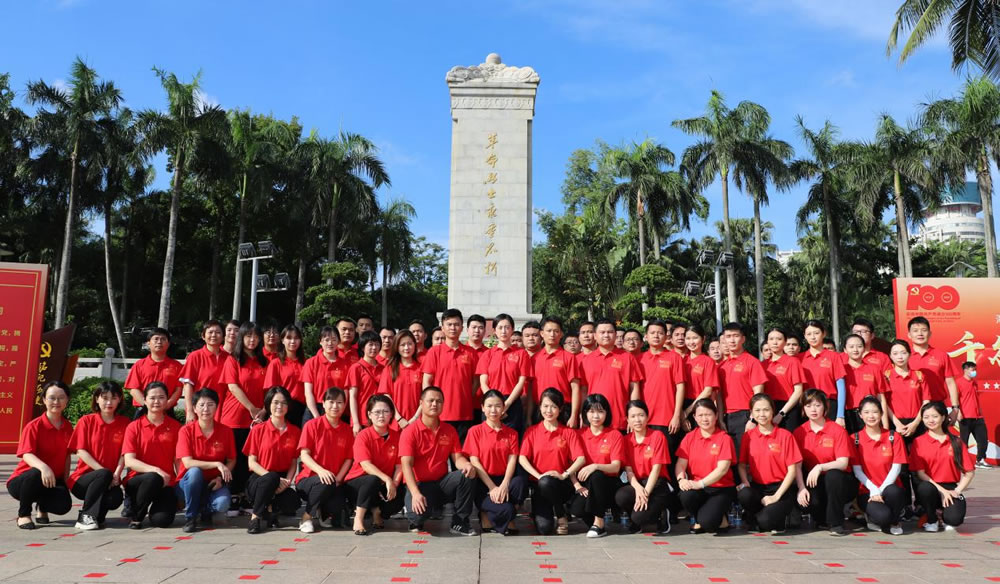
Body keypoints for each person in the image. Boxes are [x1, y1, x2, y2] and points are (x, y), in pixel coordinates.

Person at [400, 386, 477, 535]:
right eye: (431, 401)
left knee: (467, 474)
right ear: (421, 403)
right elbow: (406, 465)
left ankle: (460, 522)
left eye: (439, 401)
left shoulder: (449, 430)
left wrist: (467, 464)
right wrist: (415, 493)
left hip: (441, 483)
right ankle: (414, 510)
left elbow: (457, 458)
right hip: (419, 485)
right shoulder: (410, 431)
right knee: (417, 518)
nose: (435, 404)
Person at [519, 389, 586, 535]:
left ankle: (561, 515)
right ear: (540, 407)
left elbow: (581, 458)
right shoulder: (532, 431)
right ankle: (541, 512)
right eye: (545, 406)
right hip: (539, 485)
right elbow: (522, 458)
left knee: (547, 483)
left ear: (560, 409)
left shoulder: (568, 432)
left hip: (561, 485)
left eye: (554, 406)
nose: (549, 411)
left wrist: (564, 474)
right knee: (544, 529)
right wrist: (538, 476)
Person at [8, 381, 74, 530]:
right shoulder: (34, 426)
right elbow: (26, 454)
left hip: (51, 480)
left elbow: (67, 456)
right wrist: (44, 468)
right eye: (52, 398)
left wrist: (65, 481)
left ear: (67, 400)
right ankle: (24, 515)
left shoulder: (68, 427)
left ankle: (42, 507)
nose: (56, 402)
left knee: (63, 505)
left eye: (61, 397)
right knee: (36, 473)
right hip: (25, 480)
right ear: (44, 399)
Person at [68, 381, 129, 530]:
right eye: (104, 398)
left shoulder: (125, 423)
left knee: (115, 498)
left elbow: (125, 453)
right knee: (103, 474)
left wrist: (116, 474)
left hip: (110, 479)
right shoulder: (86, 421)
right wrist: (104, 472)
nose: (109, 402)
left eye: (113, 398)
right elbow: (81, 451)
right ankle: (85, 516)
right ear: (96, 399)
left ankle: (97, 516)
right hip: (83, 479)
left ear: (119, 399)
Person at [737, 394, 802, 534]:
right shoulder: (748, 436)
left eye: (766, 410)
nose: (762, 414)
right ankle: (758, 516)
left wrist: (776, 496)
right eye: (757, 410)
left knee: (765, 522)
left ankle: (771, 517)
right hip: (758, 488)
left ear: (773, 411)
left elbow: (792, 470)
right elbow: (741, 465)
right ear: (751, 413)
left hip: (781, 489)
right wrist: (745, 482)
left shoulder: (785, 435)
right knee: (744, 494)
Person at [465, 390, 527, 535]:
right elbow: (474, 461)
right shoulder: (474, 431)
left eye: (498, 406)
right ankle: (493, 514)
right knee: (507, 510)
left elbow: (512, 460)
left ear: (503, 408)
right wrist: (492, 487)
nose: (493, 410)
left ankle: (493, 516)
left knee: (520, 483)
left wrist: (505, 484)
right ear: (482, 408)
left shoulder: (512, 433)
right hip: (483, 483)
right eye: (489, 406)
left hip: (504, 479)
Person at [792, 389, 854, 536]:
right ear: (803, 409)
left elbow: (843, 463)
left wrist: (820, 467)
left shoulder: (837, 430)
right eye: (808, 406)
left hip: (840, 481)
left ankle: (836, 523)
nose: (813, 410)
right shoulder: (799, 432)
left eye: (817, 405)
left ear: (825, 407)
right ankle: (821, 518)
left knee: (833, 476)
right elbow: (797, 465)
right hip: (815, 481)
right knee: (808, 502)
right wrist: (801, 488)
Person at [123, 381, 183, 529]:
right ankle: (137, 516)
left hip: (166, 482)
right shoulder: (134, 427)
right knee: (153, 477)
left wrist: (181, 486)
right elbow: (129, 461)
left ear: (167, 400)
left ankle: (154, 508)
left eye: (161, 397)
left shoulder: (176, 427)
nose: (157, 401)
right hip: (139, 481)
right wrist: (156, 470)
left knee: (162, 521)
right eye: (152, 398)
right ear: (144, 400)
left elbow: (178, 461)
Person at [175, 388, 236, 533]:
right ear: (194, 408)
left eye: (210, 404)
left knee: (222, 504)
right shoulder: (186, 431)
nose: (206, 409)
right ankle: (191, 517)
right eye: (201, 405)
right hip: (188, 483)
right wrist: (217, 464)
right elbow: (188, 463)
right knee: (195, 472)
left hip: (213, 483)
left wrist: (220, 477)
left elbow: (232, 460)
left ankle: (204, 509)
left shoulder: (226, 431)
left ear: (217, 407)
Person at [344, 394, 405, 535]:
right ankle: (358, 519)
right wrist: (387, 479)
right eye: (377, 412)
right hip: (358, 484)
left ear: (391, 414)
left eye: (385, 411)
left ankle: (377, 510)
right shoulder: (363, 435)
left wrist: (394, 484)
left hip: (382, 485)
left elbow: (399, 466)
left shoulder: (397, 437)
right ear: (369, 415)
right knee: (372, 480)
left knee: (401, 493)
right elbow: (366, 465)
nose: (381, 416)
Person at [910, 401, 976, 532]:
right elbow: (921, 474)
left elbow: (969, 472)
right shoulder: (918, 442)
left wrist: (956, 491)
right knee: (924, 488)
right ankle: (931, 519)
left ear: (943, 417)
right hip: (930, 486)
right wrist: (942, 492)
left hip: (950, 487)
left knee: (954, 520)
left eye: (935, 416)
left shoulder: (956, 441)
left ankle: (942, 514)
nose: (930, 420)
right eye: (926, 417)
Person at [296, 387, 354, 534]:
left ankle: (322, 509)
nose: (335, 406)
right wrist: (321, 471)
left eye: (339, 402)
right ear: (323, 403)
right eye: (331, 402)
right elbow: (304, 455)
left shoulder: (347, 430)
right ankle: (306, 517)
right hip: (309, 479)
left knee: (339, 516)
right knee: (325, 482)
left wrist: (338, 478)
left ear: (344, 405)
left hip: (334, 481)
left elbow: (348, 459)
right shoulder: (312, 425)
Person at [244, 386, 302, 534]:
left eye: (283, 403)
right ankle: (255, 517)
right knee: (271, 478)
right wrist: (272, 478)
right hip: (260, 478)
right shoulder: (258, 429)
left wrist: (287, 481)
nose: (279, 406)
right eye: (275, 402)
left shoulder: (295, 431)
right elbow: (252, 463)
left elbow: (293, 462)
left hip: (282, 479)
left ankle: (270, 510)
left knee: (293, 501)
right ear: (268, 404)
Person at [220, 321, 269, 497]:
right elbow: (233, 387)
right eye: (248, 336)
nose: (252, 340)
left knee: (253, 458)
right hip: (234, 417)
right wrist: (251, 408)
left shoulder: (264, 362)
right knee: (235, 458)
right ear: (241, 337)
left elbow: (269, 389)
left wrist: (264, 410)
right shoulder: (233, 360)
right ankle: (233, 495)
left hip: (258, 418)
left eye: (256, 336)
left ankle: (249, 496)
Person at [676, 399, 736, 534]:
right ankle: (698, 519)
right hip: (698, 488)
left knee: (709, 524)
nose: (704, 419)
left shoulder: (724, 438)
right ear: (694, 417)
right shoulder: (689, 437)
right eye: (700, 415)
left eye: (708, 414)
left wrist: (701, 484)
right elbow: (680, 464)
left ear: (716, 416)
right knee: (686, 495)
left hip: (721, 488)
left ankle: (721, 518)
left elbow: (722, 470)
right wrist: (681, 479)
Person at [615, 400, 675, 534]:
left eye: (641, 415)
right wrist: (638, 488)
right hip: (638, 482)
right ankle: (637, 519)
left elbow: (656, 469)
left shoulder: (657, 436)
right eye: (633, 416)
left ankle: (662, 512)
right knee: (621, 496)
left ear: (647, 417)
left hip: (657, 483)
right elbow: (628, 470)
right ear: (627, 420)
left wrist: (645, 494)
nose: (637, 420)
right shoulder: (626, 440)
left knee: (640, 518)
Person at [850, 396, 906, 535]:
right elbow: (857, 471)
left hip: (889, 489)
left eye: (875, 412)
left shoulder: (894, 437)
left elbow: (896, 468)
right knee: (883, 517)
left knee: (895, 492)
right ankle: (876, 517)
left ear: (881, 414)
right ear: (860, 415)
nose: (871, 416)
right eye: (866, 412)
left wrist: (880, 491)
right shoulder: (855, 439)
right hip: (867, 491)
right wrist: (873, 490)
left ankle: (895, 521)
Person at [570, 394, 624, 538]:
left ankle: (599, 523)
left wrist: (595, 466)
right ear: (585, 413)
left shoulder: (614, 435)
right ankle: (596, 523)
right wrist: (577, 485)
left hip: (608, 484)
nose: (596, 416)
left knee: (596, 475)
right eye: (591, 411)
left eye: (600, 411)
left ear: (607, 413)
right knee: (577, 509)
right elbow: (571, 466)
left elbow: (616, 467)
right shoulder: (578, 435)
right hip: (585, 484)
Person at [421, 309, 478, 442]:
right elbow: (427, 381)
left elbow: (476, 381)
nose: (453, 328)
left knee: (461, 451)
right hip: (439, 413)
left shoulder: (470, 353)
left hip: (463, 413)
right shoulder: (434, 352)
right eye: (449, 324)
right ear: (443, 328)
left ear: (462, 328)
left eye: (456, 324)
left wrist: (466, 396)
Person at [579, 318, 643, 432]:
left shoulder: (628, 358)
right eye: (602, 332)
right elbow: (583, 390)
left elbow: (634, 388)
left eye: (610, 332)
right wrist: (582, 414)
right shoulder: (586, 360)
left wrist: (633, 415)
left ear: (615, 334)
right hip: (594, 418)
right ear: (595, 335)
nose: (606, 335)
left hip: (620, 419)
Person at [640, 320, 685, 469]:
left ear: (666, 337)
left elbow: (680, 387)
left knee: (667, 461)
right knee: (646, 460)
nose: (656, 336)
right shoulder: (639, 359)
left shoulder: (674, 357)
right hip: (643, 419)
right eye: (652, 333)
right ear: (646, 336)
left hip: (666, 418)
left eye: (660, 333)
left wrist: (676, 416)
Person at [477, 313, 531, 435]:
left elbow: (521, 381)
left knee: (512, 439)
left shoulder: (521, 354)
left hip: (512, 402)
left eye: (507, 327)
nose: (503, 331)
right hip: (491, 402)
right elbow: (483, 382)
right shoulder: (487, 354)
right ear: (494, 330)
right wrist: (493, 403)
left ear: (512, 329)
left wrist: (506, 404)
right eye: (500, 327)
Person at [719, 322, 767, 453]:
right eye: (728, 336)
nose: (732, 340)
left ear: (743, 339)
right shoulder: (721, 366)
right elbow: (719, 395)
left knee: (745, 457)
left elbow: (758, 393)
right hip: (726, 418)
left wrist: (753, 418)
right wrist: (720, 419)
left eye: (736, 336)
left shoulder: (752, 362)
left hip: (745, 415)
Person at [907, 317, 961, 421]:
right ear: (909, 334)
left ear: (930, 333)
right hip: (911, 406)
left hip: (936, 406)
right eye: (915, 331)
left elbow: (950, 383)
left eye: (924, 330)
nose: (920, 334)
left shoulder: (941, 355)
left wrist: (955, 409)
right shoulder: (903, 356)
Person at [532, 316, 582, 427]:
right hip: (541, 409)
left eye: (556, 331)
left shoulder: (569, 357)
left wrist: (574, 415)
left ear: (561, 334)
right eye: (549, 331)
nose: (552, 334)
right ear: (542, 333)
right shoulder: (534, 358)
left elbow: (575, 388)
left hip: (563, 409)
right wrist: (528, 416)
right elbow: (531, 389)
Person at [180, 320, 232, 422]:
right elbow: (188, 385)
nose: (214, 335)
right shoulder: (195, 356)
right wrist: (190, 410)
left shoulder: (229, 358)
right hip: (202, 409)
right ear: (203, 336)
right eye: (210, 332)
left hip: (224, 409)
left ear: (223, 337)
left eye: (218, 332)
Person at [124, 327, 182, 415]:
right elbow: (134, 389)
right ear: (148, 343)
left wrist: (167, 404)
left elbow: (179, 389)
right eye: (156, 339)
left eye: (163, 339)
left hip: (167, 410)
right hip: (143, 409)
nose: (159, 342)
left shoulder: (176, 366)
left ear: (168, 344)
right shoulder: (139, 365)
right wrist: (147, 405)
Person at [800, 320, 847, 426]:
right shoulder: (799, 359)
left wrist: (840, 415)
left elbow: (841, 386)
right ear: (805, 336)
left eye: (816, 333)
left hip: (829, 405)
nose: (813, 337)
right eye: (809, 334)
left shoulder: (834, 357)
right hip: (807, 405)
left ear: (824, 334)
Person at [301, 326, 350, 423]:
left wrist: (339, 412)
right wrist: (316, 416)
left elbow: (346, 391)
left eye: (334, 339)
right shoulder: (311, 362)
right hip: (315, 408)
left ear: (338, 342)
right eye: (326, 340)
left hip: (337, 409)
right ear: (320, 341)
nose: (330, 343)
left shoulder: (345, 365)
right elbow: (308, 392)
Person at [843, 333, 889, 434]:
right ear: (845, 350)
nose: (855, 350)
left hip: (870, 415)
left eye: (859, 346)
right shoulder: (841, 370)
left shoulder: (874, 369)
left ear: (864, 349)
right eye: (851, 347)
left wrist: (885, 425)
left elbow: (881, 398)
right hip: (848, 415)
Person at [263, 324, 307, 426]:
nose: (293, 341)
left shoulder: (306, 363)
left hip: (302, 410)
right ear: (282, 340)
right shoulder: (276, 363)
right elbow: (270, 391)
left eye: (296, 338)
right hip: (282, 408)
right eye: (289, 338)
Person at [763, 328, 805, 431]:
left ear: (785, 342)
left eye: (779, 339)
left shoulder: (793, 362)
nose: (775, 342)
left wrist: (782, 413)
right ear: (767, 342)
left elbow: (798, 391)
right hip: (768, 408)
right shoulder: (762, 365)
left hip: (789, 409)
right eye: (771, 339)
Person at [380, 330, 423, 430]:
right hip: (395, 423)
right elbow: (386, 395)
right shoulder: (390, 368)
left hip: (418, 422)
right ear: (397, 347)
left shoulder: (421, 368)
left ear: (415, 345)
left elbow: (425, 396)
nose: (406, 348)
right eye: (402, 345)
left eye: (410, 344)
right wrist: (399, 419)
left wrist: (415, 418)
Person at [681, 325, 720, 425]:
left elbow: (708, 391)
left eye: (695, 338)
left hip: (700, 406)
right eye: (688, 338)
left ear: (703, 339)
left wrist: (687, 411)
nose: (691, 342)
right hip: (681, 406)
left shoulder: (708, 362)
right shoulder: (682, 360)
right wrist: (680, 412)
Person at [348, 331, 386, 435]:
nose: (374, 348)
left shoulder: (384, 368)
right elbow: (353, 396)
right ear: (362, 347)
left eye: (377, 344)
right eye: (370, 344)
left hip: (380, 418)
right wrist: (356, 422)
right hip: (362, 419)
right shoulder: (356, 368)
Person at [956, 362, 992, 468]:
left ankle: (980, 460)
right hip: (965, 416)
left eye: (975, 369)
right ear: (965, 370)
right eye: (972, 370)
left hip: (978, 417)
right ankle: (961, 462)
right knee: (964, 441)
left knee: (983, 440)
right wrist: (958, 412)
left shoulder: (974, 383)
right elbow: (955, 398)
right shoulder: (958, 382)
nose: (974, 372)